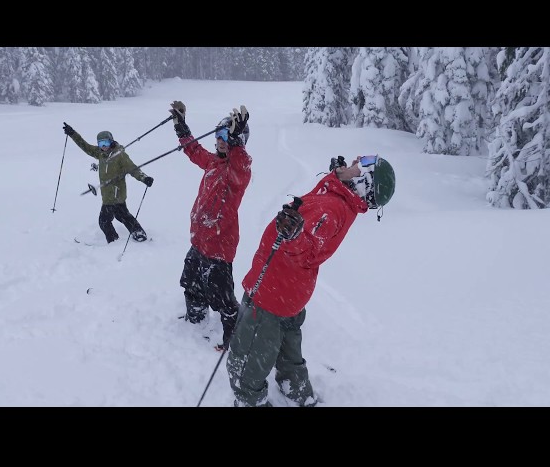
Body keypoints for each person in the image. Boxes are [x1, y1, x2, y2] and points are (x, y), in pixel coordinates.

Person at [226, 154, 396, 407]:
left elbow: (307, 248)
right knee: (287, 346)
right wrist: (338, 175)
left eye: (365, 163)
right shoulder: (339, 197)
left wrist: (294, 235)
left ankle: (249, 398)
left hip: (272, 290)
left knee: (250, 352)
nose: (358, 159)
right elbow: (326, 194)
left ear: (365, 181)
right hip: (292, 291)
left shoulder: (332, 209)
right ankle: (296, 390)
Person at [168, 101, 252, 351]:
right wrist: (182, 128)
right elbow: (194, 151)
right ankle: (195, 316)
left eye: (227, 135)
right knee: (191, 282)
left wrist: (236, 143)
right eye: (218, 135)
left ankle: (233, 337)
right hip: (199, 240)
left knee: (222, 297)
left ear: (239, 140)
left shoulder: (238, 170)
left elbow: (240, 164)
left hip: (218, 246)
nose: (221, 140)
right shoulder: (213, 162)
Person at [62, 122, 154, 243]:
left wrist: (144, 178)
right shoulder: (100, 153)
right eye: (100, 143)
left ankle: (113, 240)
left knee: (104, 221)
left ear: (111, 141)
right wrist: (72, 133)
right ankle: (138, 233)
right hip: (108, 195)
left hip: (115, 194)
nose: (103, 146)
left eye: (105, 143)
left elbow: (133, 169)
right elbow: (85, 146)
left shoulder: (120, 156)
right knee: (123, 216)